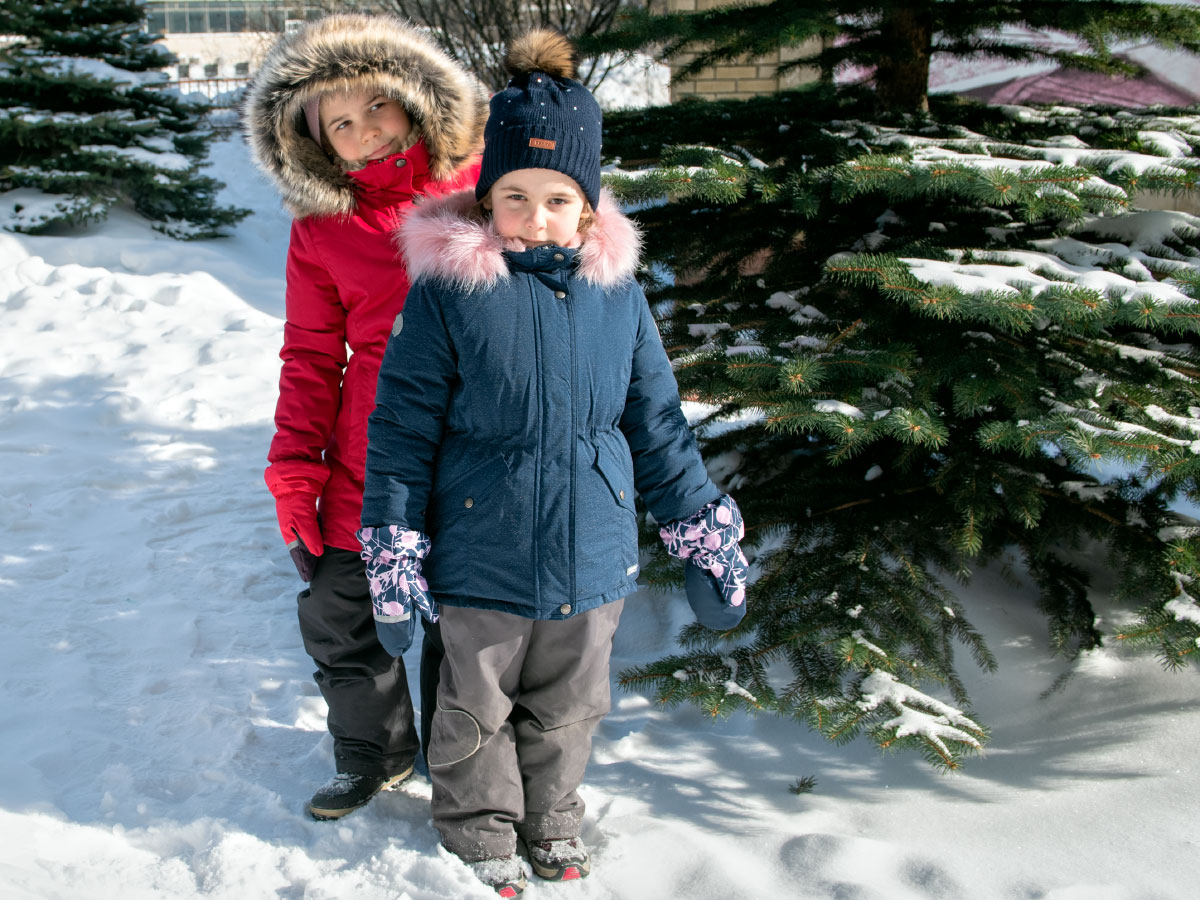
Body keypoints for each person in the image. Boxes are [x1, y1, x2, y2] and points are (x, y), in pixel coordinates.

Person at [358, 29, 749, 896]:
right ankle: (478, 828)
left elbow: (656, 422)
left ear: (589, 204)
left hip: (593, 550)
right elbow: (402, 431)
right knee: (475, 706)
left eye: (560, 199)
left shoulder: (619, 294)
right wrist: (392, 549)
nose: (538, 218)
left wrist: (700, 532)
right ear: (486, 198)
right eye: (516, 196)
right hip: (480, 549)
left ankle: (553, 822)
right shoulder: (450, 291)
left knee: (571, 708)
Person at [243, 13, 486, 821]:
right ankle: (372, 751)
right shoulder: (321, 231)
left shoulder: (485, 190)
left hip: (473, 443)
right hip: (371, 454)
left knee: (466, 618)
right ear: (317, 143)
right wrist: (294, 471)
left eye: (374, 106)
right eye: (338, 122)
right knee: (339, 607)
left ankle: (469, 769)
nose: (363, 130)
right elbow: (311, 356)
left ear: (412, 100)